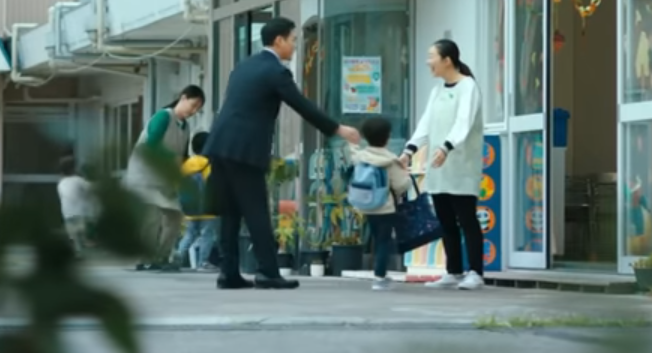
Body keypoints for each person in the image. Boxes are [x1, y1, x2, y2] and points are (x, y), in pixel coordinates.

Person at [206, 17, 361, 290]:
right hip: (245, 149)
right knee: (256, 211)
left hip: (220, 144)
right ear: (278, 40)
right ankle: (268, 272)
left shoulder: (245, 65)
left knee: (229, 212)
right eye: (292, 40)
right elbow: (302, 105)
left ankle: (228, 273)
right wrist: (337, 128)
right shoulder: (276, 72)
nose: (294, 45)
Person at [401, 39, 486, 290]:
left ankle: (476, 272)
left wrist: (446, 147)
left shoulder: (468, 87)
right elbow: (425, 124)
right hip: (438, 167)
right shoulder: (437, 90)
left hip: (461, 166)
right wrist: (409, 150)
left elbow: (463, 122)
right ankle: (453, 271)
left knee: (467, 219)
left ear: (447, 60)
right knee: (445, 220)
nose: (428, 62)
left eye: (432, 57)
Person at [124, 85, 205, 272]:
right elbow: (151, 145)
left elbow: (182, 156)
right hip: (144, 176)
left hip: (164, 179)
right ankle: (144, 258)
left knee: (174, 215)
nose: (194, 111)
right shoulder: (163, 117)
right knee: (151, 219)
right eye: (193, 105)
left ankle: (161, 256)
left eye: (198, 109)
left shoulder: (185, 127)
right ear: (183, 98)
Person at [346, 117, 413, 291]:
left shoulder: (361, 157)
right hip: (385, 207)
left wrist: (352, 142)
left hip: (366, 204)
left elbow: (352, 153)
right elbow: (401, 185)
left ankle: (380, 273)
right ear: (388, 137)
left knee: (377, 238)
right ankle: (380, 277)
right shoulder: (390, 160)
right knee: (384, 241)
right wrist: (406, 174)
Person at [173, 132, 218, 271]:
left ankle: (178, 255)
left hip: (190, 206)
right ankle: (203, 262)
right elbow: (212, 183)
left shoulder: (187, 164)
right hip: (207, 206)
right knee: (207, 234)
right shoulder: (208, 163)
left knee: (190, 233)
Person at [57, 153, 94, 254]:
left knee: (73, 234)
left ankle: (77, 249)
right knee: (81, 230)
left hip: (67, 213)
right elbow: (90, 188)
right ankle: (84, 243)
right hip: (79, 212)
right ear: (73, 169)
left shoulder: (61, 183)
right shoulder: (78, 180)